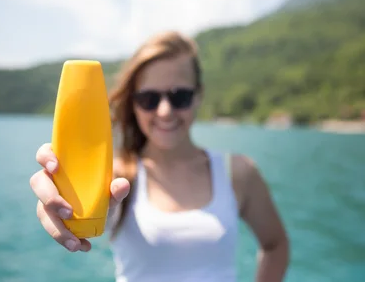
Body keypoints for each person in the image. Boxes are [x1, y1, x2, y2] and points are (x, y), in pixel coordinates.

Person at [29, 31, 289, 282]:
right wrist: (61, 202)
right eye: (149, 99)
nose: (165, 111)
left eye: (180, 96)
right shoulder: (116, 177)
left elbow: (275, 244)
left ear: (199, 95)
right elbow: (85, 214)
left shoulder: (238, 173)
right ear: (132, 103)